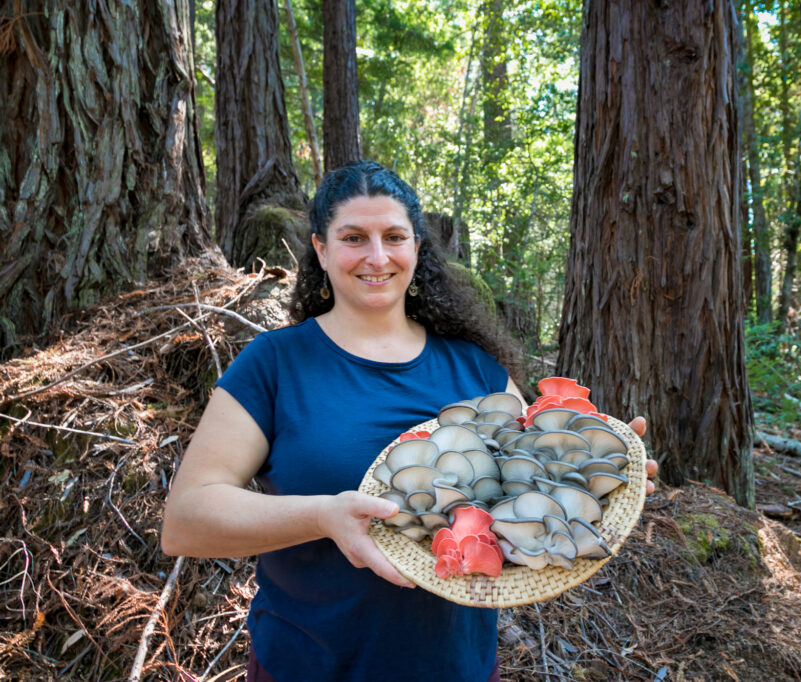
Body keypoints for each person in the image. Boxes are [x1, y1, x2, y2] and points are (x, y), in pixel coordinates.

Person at [161, 161, 657, 682]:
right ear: (322, 250)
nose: (377, 257)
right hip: (306, 665)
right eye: (354, 237)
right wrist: (323, 517)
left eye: (394, 236)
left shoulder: (475, 367)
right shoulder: (274, 364)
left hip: (455, 669)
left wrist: (607, 478)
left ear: (417, 248)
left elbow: (536, 488)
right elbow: (185, 521)